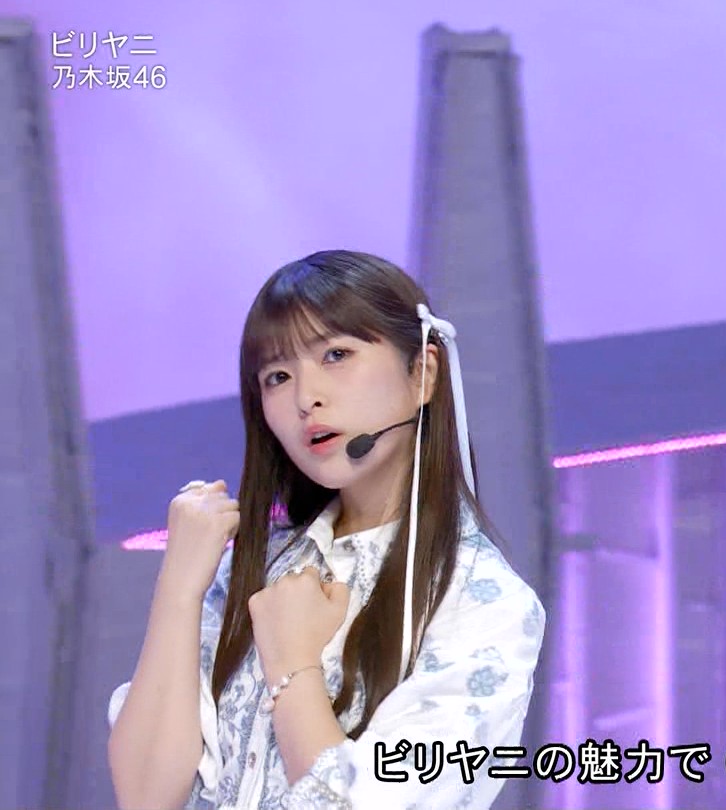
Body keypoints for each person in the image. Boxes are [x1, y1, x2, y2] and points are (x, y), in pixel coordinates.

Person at [107, 250, 546, 809]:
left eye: (336, 354)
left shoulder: (483, 602)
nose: (304, 398)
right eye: (277, 376)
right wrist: (178, 589)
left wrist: (293, 665)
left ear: (423, 373)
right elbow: (145, 797)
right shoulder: (252, 568)